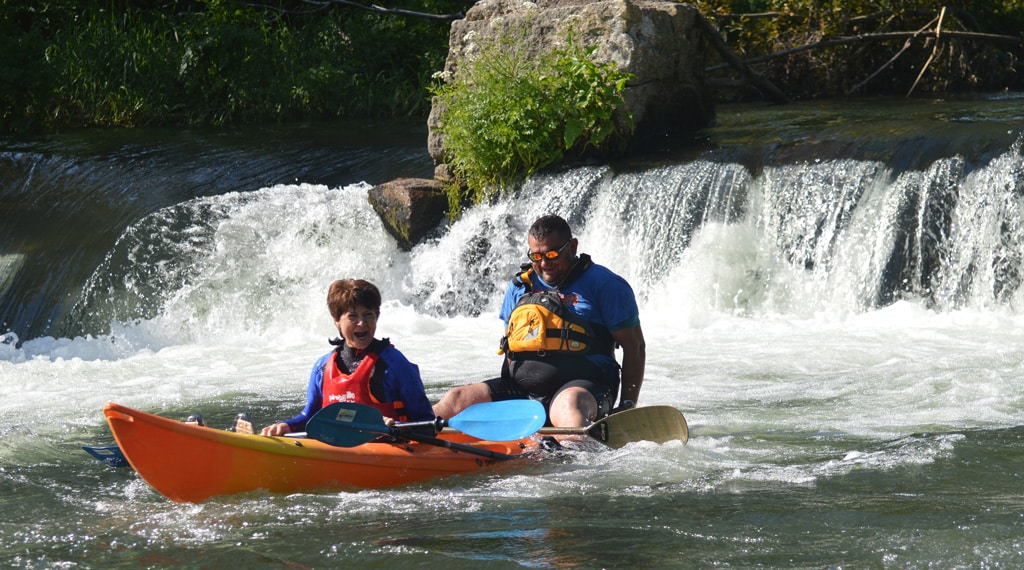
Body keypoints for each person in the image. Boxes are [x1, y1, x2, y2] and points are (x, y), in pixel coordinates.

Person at [432, 214, 645, 428]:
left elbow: (634, 346)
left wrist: (627, 404)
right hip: (523, 392)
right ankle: (408, 433)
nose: (544, 263)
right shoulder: (519, 287)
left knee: (568, 407)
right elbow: (511, 343)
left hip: (584, 389)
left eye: (552, 254)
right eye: (536, 257)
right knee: (455, 398)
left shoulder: (606, 284)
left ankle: (578, 452)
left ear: (572, 247)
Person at [261, 279, 435, 436]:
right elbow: (309, 417)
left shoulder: (394, 363)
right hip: (339, 447)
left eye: (368, 315)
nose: (362, 323)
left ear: (377, 317)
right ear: (337, 321)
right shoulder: (322, 367)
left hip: (391, 446)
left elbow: (426, 425)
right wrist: (286, 426)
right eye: (352, 316)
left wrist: (396, 426)